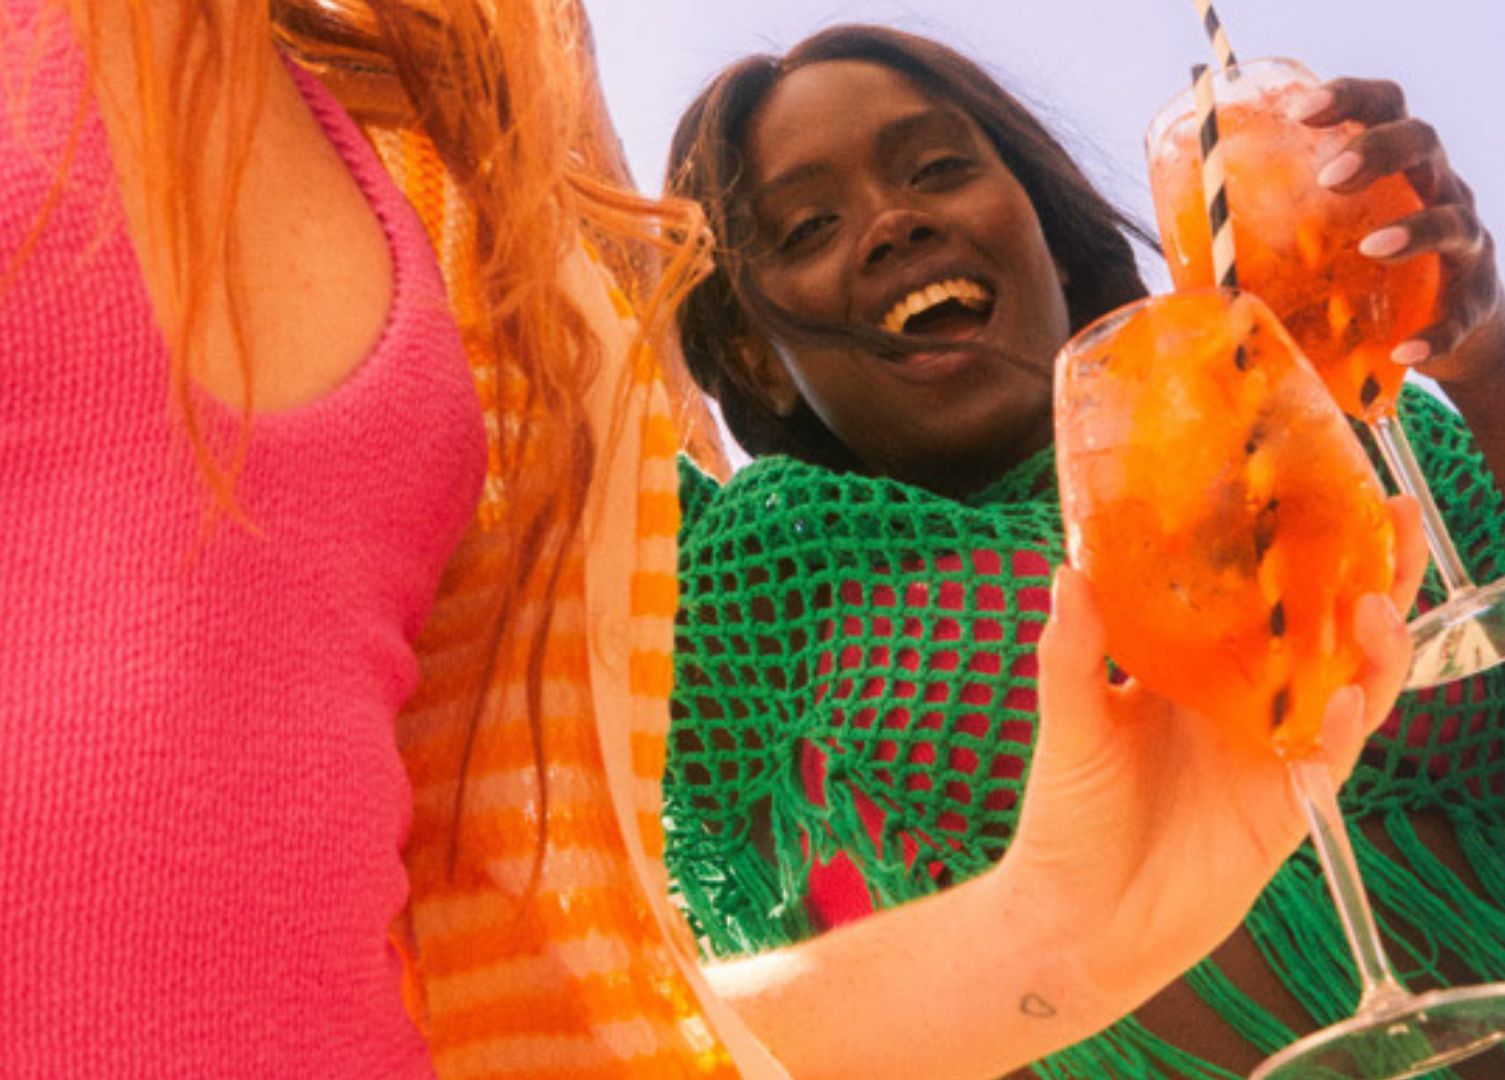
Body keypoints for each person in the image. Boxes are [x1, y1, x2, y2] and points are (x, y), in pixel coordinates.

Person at [0, 3, 1407, 1076]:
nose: (895, 225)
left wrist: (1050, 931)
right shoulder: (768, 573)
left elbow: (550, 1025)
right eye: (802, 225)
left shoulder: (465, 224)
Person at [659, 23, 1505, 1079]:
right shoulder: (738, 607)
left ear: (1035, 219)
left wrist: (1491, 361)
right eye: (806, 228)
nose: (891, 224)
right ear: (753, 352)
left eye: (936, 169)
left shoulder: (1333, 468)